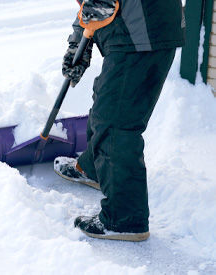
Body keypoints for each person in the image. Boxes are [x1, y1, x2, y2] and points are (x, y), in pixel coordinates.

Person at [54, 0, 185, 241]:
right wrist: (78, 44)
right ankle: (93, 168)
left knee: (116, 123)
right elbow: (90, 5)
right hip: (128, 31)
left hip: (142, 30)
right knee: (107, 102)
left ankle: (124, 219)